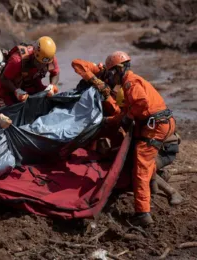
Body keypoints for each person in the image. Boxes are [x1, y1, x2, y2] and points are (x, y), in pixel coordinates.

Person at [72, 52, 177, 226]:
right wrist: (109, 120)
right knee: (142, 157)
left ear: (118, 70)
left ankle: (143, 214)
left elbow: (140, 103)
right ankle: (158, 186)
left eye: (111, 73)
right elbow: (77, 63)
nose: (111, 78)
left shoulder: (130, 83)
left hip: (155, 127)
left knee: (141, 167)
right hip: (159, 124)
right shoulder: (125, 82)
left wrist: (127, 116)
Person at [0, 36, 60, 106]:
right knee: (7, 112)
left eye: (44, 64)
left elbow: (55, 73)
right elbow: (4, 79)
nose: (42, 66)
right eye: (39, 63)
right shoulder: (17, 61)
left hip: (31, 84)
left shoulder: (49, 58)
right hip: (9, 89)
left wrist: (52, 85)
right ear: (34, 55)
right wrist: (16, 91)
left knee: (49, 100)